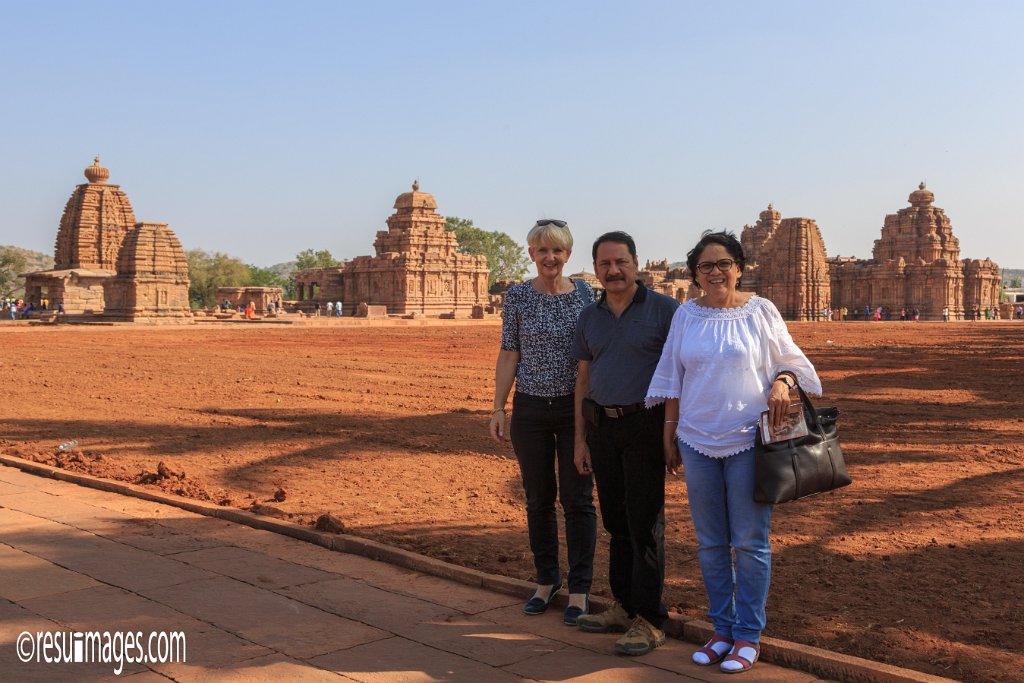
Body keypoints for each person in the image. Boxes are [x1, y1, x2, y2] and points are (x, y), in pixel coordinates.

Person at [647, 230, 822, 674]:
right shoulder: (686, 316)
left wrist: (783, 382)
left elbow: (792, 362)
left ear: (739, 267)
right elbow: (672, 378)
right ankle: (721, 629)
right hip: (696, 439)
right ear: (695, 274)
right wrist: (669, 433)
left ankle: (748, 635)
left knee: (750, 542)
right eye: (705, 266)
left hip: (749, 442)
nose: (715, 272)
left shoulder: (760, 311)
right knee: (709, 543)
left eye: (723, 263)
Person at [572, 231, 679, 656]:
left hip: (645, 425)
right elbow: (583, 379)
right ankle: (623, 605)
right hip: (602, 425)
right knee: (615, 521)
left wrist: (671, 433)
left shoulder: (666, 311)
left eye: (621, 262)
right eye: (604, 264)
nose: (613, 271)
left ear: (637, 264)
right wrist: (581, 439)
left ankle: (650, 618)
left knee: (645, 524)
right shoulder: (589, 317)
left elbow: (678, 377)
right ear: (596, 269)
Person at [489, 219, 596, 626]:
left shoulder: (585, 294)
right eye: (542, 250)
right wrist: (498, 406)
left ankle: (580, 588)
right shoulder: (516, 297)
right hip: (531, 409)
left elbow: (591, 356)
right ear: (531, 254)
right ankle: (547, 580)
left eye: (557, 250)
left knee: (578, 499)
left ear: (568, 254)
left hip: (574, 410)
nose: (550, 257)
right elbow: (509, 354)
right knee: (537, 498)